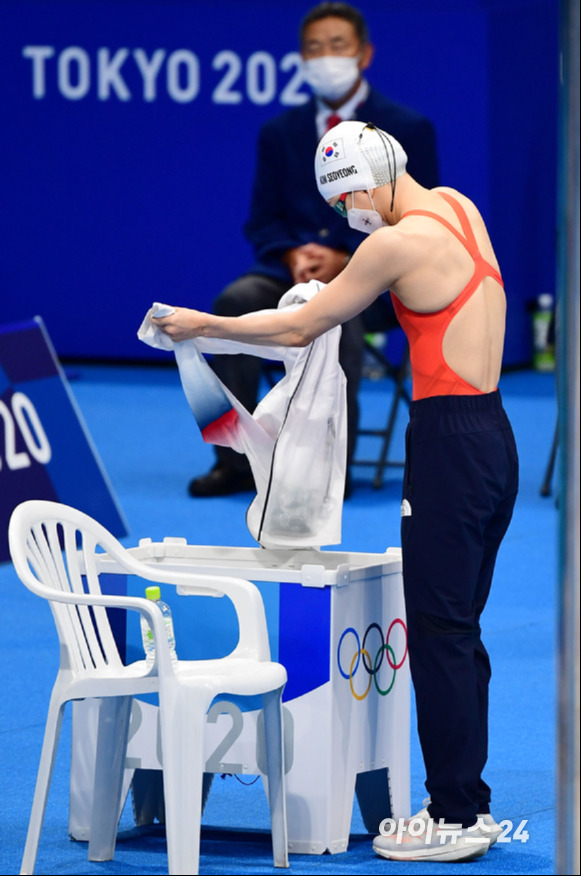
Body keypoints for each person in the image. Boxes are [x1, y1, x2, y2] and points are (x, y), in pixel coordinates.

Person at [153, 120, 519, 863]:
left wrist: (203, 324)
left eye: (350, 195)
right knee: (461, 630)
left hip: (447, 443)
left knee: (441, 633)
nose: (350, 210)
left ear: (370, 178)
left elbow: (300, 332)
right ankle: (466, 800)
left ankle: (453, 816)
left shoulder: (391, 242)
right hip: (494, 436)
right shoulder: (458, 206)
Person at [188, 1, 439, 499]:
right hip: (291, 274)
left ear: (364, 54)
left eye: (337, 46)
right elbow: (261, 220)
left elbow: (419, 218)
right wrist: (292, 256)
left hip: (372, 278)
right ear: (301, 60)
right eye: (313, 49)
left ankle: (329, 470)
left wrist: (346, 256)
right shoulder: (279, 133)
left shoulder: (405, 128)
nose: (325, 57)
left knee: (337, 319)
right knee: (235, 300)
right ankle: (236, 461)